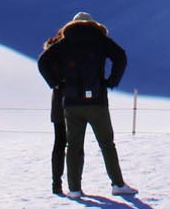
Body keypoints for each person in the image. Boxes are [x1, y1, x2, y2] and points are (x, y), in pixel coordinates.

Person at [36, 12, 136, 199]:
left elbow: (43, 62)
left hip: (71, 102)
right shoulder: (99, 39)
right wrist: (111, 81)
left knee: (73, 145)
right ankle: (117, 184)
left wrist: (57, 83)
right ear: (92, 25)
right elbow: (120, 56)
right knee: (106, 143)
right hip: (97, 100)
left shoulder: (65, 41)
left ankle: (74, 189)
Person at [43, 31, 68, 195]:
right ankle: (74, 184)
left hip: (58, 101)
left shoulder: (52, 50)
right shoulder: (68, 48)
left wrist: (54, 84)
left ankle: (56, 183)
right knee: (73, 143)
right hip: (72, 100)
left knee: (59, 141)